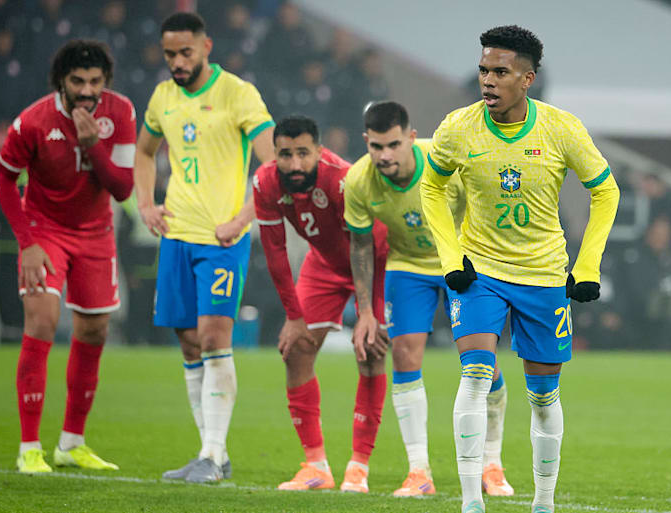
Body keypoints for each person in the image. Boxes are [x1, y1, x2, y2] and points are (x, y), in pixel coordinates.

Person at [420, 26, 620, 513]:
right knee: (475, 375)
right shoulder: (457, 128)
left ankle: (543, 504)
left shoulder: (560, 128)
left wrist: (587, 264)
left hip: (544, 275)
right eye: (484, 70)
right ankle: (471, 503)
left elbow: (606, 190)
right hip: (480, 271)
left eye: (501, 72)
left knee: (543, 396)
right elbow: (431, 188)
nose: (488, 81)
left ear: (527, 79)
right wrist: (451, 259)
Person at [344, 101, 514, 497]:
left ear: (411, 138)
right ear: (366, 142)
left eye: (393, 145)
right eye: (376, 147)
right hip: (407, 266)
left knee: (480, 361)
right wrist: (366, 312)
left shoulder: (444, 162)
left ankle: (492, 462)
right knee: (404, 354)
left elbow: (484, 208)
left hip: (462, 260)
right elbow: (361, 246)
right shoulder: (358, 181)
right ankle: (418, 472)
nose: (385, 155)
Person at [133, 12, 275, 483]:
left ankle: (212, 457)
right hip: (176, 236)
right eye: (169, 54)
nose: (176, 61)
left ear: (206, 47)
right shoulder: (162, 97)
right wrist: (146, 203)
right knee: (189, 341)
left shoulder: (237, 93)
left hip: (222, 238)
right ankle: (211, 452)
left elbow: (271, 164)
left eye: (185, 52)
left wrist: (242, 219)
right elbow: (144, 151)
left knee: (214, 335)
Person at [0, 39, 135, 473]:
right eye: (78, 81)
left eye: (95, 81)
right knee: (42, 322)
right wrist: (27, 242)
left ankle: (71, 442)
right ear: (62, 81)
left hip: (96, 234)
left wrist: (94, 145)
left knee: (94, 332)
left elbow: (123, 189)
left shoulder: (121, 113)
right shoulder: (33, 122)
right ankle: (29, 448)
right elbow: (3, 179)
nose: (88, 90)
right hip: (45, 231)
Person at [253, 115, 389, 494]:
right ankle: (315, 466)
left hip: (376, 261)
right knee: (295, 349)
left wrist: (366, 313)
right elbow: (275, 251)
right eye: (285, 154)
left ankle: (358, 468)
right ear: (275, 154)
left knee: (371, 349)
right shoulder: (265, 183)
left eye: (303, 154)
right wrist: (294, 317)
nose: (294, 164)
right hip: (325, 263)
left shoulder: (342, 179)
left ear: (319, 150)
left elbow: (366, 243)